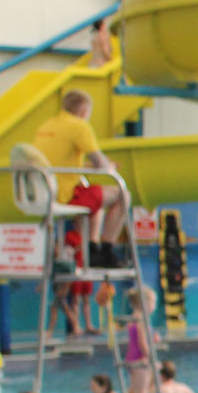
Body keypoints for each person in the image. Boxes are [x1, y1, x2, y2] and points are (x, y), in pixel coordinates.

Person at [31, 91, 119, 268]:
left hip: (43, 193)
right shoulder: (79, 126)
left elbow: (58, 164)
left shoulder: (47, 125)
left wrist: (90, 167)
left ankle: (91, 248)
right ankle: (106, 250)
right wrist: (109, 167)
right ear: (84, 111)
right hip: (65, 195)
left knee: (96, 201)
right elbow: (101, 163)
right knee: (121, 194)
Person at [120, 288, 157, 393]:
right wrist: (151, 360)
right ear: (145, 303)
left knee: (134, 391)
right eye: (153, 303)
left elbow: (137, 339)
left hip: (131, 357)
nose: (154, 306)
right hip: (140, 360)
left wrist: (152, 338)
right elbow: (142, 343)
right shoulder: (141, 319)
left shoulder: (132, 318)